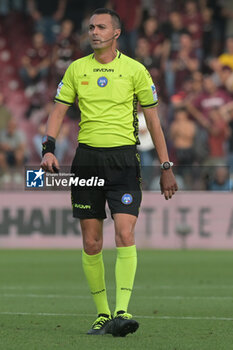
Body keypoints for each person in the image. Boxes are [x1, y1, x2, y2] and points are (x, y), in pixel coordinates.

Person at [41, 8, 177, 337]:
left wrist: (165, 165)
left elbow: (154, 120)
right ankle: (102, 315)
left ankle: (122, 311)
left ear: (116, 32)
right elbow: (59, 110)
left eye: (101, 27)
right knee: (91, 243)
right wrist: (48, 149)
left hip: (124, 162)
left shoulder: (135, 70)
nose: (94, 32)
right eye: (91, 27)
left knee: (125, 235)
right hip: (87, 160)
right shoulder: (76, 69)